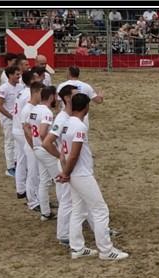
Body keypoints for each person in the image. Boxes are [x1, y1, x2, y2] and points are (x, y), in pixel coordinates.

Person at [57, 94, 129, 261]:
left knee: (78, 209)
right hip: (80, 173)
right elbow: (74, 154)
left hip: (72, 172)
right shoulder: (80, 127)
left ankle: (77, 248)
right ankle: (106, 250)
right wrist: (66, 172)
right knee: (100, 209)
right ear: (86, 107)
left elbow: (63, 151)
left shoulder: (66, 123)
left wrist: (65, 171)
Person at [41, 85, 77, 246]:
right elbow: (47, 141)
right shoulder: (62, 118)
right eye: (76, 95)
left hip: (71, 163)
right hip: (66, 163)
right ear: (68, 98)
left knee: (75, 198)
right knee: (66, 199)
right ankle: (63, 234)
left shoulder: (70, 117)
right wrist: (60, 155)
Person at [29, 85, 58, 220]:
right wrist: (51, 148)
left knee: (44, 181)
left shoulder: (34, 110)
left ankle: (45, 212)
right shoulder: (47, 112)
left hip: (37, 149)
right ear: (51, 97)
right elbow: (42, 133)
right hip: (45, 150)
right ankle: (67, 212)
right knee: (60, 180)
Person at [11, 70, 41, 201]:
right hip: (23, 130)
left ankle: (20, 189)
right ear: (31, 81)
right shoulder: (30, 94)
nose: (39, 79)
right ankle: (32, 196)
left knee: (21, 159)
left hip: (16, 128)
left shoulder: (22, 92)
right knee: (31, 164)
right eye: (36, 78)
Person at [0, 65, 24, 177]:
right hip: (8, 119)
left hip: (18, 119)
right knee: (9, 142)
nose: (19, 76)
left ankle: (16, 163)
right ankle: (10, 167)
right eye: (17, 74)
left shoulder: (20, 87)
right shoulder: (3, 88)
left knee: (18, 141)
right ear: (10, 75)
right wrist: (10, 116)